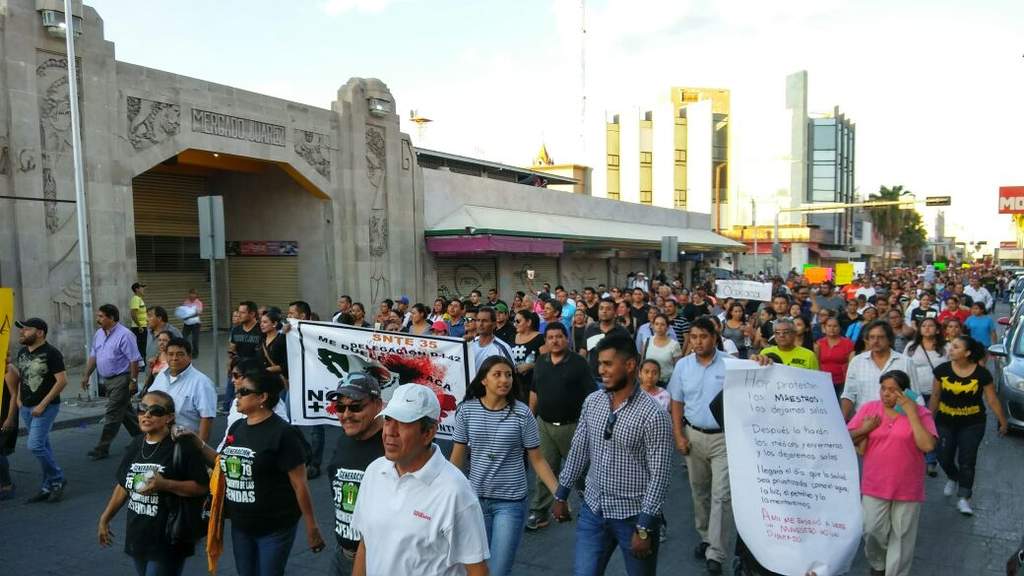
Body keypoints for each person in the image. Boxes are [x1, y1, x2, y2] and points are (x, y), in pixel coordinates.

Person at [184, 366, 325, 575]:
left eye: (243, 392)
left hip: (275, 527)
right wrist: (197, 443)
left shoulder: (284, 434)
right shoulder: (237, 428)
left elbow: (299, 484)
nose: (236, 396)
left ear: (262, 397)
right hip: (241, 525)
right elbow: (222, 463)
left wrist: (312, 527)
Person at [551, 335, 673, 576]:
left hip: (634, 517)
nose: (601, 370)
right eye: (599, 364)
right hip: (593, 511)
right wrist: (561, 493)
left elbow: (660, 475)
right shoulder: (593, 402)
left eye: (608, 364)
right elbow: (579, 450)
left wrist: (645, 527)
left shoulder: (654, 415)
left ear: (629, 366)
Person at [351, 384, 490, 576]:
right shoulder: (374, 471)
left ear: (428, 433)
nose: (390, 431)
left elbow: (477, 570)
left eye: (402, 422)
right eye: (388, 419)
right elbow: (365, 545)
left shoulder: (455, 491)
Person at [669, 317, 773, 575]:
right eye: (693, 337)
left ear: (715, 338)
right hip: (693, 436)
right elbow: (677, 403)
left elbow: (757, 373)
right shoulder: (683, 366)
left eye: (703, 336)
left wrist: (762, 361)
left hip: (724, 439)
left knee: (722, 495)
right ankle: (705, 537)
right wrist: (678, 435)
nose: (697, 342)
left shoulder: (732, 365)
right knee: (699, 491)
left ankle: (716, 552)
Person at [450, 357, 560, 576]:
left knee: (498, 570)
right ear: (483, 380)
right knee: (473, 569)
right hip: (474, 501)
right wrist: (445, 495)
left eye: (509, 375)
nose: (505, 380)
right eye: (497, 374)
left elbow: (537, 459)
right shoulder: (466, 411)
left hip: (510, 503)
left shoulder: (522, 413)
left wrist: (559, 494)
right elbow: (457, 459)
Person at [97, 391, 210, 576]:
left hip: (168, 537)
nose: (146, 415)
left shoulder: (182, 446)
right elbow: (123, 485)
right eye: (142, 409)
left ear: (169, 417)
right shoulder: (137, 443)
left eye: (155, 411)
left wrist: (165, 484)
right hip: (138, 534)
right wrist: (105, 518)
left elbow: (201, 487)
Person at [847, 370, 937, 576]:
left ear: (905, 392)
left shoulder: (922, 414)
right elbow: (845, 436)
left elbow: (927, 445)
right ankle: (878, 563)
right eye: (883, 389)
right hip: (875, 483)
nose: (886, 394)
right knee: (871, 529)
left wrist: (911, 412)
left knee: (902, 536)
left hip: (907, 486)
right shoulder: (870, 409)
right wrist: (865, 428)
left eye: (893, 390)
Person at [526, 323, 595, 531]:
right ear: (546, 341)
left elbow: (591, 396)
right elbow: (534, 391)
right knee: (545, 469)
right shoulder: (541, 362)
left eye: (559, 336)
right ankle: (540, 511)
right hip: (544, 425)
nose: (554, 341)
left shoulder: (579, 364)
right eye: (550, 337)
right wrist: (531, 417)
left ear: (567, 339)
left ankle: (591, 509)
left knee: (581, 472)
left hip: (573, 427)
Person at [929, 336, 1008, 516]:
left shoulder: (981, 374)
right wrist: (928, 420)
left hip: (972, 423)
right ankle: (953, 476)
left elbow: (992, 399)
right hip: (945, 421)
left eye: (956, 347)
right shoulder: (942, 371)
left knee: (967, 459)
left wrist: (1002, 421)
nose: (951, 349)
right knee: (944, 456)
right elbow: (935, 396)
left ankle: (964, 497)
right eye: (951, 346)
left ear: (967, 353)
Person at [325, 373, 385, 576]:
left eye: (356, 407)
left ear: (378, 404)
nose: (346, 414)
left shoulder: (392, 446)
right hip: (342, 554)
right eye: (340, 407)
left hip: (377, 562)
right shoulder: (344, 439)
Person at [7, 318, 67, 502]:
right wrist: (17, 398)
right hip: (26, 406)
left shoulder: (52, 353)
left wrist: (43, 404)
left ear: (39, 332)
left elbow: (62, 381)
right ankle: (47, 486)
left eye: (26, 329)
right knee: (43, 445)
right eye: (21, 329)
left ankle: (58, 478)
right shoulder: (23, 352)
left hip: (46, 407)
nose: (21, 332)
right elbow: (23, 377)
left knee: (34, 445)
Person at [84, 305, 143, 461]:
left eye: (101, 316)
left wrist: (133, 381)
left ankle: (102, 448)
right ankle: (143, 439)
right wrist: (86, 376)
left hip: (122, 379)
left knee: (112, 413)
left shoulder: (125, 335)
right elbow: (93, 356)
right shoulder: (98, 334)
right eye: (98, 316)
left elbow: (134, 359)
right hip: (108, 380)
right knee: (125, 413)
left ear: (111, 318)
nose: (98, 319)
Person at [148, 337, 217, 444]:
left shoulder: (202, 383)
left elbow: (206, 418)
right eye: (170, 354)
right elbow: (150, 400)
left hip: (185, 442)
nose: (174, 358)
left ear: (189, 357)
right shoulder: (161, 375)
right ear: (165, 356)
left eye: (180, 354)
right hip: (159, 439)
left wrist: (200, 448)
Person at [904, 317, 947, 477]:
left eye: (931, 326)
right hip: (914, 393)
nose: (927, 328)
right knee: (912, 425)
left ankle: (931, 460)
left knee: (931, 426)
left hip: (937, 393)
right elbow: (904, 368)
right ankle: (912, 458)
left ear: (937, 330)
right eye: (924, 325)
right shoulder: (911, 347)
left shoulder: (945, 348)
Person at [584, 298, 633, 382]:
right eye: (601, 308)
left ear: (615, 312)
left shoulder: (622, 332)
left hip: (614, 378)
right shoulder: (590, 329)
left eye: (608, 309)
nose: (604, 311)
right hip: (593, 378)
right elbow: (584, 350)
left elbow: (629, 355)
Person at [226, 301, 261, 413]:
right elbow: (232, 349)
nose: (239, 315)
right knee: (238, 398)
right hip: (239, 370)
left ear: (252, 314)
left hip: (255, 371)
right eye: (238, 312)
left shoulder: (261, 329)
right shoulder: (236, 330)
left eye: (242, 312)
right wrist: (230, 365)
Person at [468, 307, 515, 375]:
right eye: (478, 320)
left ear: (494, 324)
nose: (480, 324)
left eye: (485, 321)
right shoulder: (470, 343)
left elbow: (512, 374)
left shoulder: (502, 348)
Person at [815, 316, 855, 397]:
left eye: (835, 326)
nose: (832, 329)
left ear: (840, 328)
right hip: (823, 382)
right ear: (824, 328)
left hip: (842, 382)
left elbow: (852, 365)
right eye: (829, 326)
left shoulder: (848, 343)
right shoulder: (819, 343)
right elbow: (816, 363)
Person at [640, 314, 682, 385]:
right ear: (653, 326)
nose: (659, 327)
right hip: (648, 381)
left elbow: (678, 368)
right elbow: (642, 361)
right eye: (656, 324)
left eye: (662, 324)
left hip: (666, 383)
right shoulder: (647, 341)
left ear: (667, 327)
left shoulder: (674, 345)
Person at [259, 308, 288, 383]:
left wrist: (269, 369)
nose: (261, 324)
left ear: (274, 324)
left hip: (278, 382)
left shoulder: (282, 340)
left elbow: (286, 364)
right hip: (262, 380)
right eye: (261, 322)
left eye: (265, 322)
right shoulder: (261, 339)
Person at [180, 288, 203, 357]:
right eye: (191, 293)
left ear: (196, 295)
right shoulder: (186, 302)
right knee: (183, 337)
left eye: (194, 294)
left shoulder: (198, 303)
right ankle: (185, 351)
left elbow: (199, 312)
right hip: (187, 324)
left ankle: (195, 353)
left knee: (194, 339)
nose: (192, 295)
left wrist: (189, 314)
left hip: (196, 324)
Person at [129, 282, 149, 358]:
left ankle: (141, 365)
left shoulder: (139, 299)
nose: (143, 289)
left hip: (141, 327)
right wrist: (139, 326)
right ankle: (141, 366)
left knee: (142, 348)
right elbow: (133, 314)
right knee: (140, 348)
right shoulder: (136, 299)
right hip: (138, 328)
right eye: (142, 287)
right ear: (137, 289)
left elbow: (141, 314)